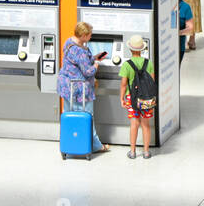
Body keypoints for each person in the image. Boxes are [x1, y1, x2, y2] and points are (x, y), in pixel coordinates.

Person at [56, 21, 112, 155]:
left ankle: (70, 143)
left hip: (67, 86)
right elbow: (88, 72)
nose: (91, 37)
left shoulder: (69, 42)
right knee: (87, 116)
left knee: (68, 115)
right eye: (89, 35)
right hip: (80, 88)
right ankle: (95, 145)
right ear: (83, 36)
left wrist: (93, 58)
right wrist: (97, 64)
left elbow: (77, 62)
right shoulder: (80, 51)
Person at [119, 35, 157, 159]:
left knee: (134, 124)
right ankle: (146, 152)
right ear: (142, 49)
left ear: (130, 49)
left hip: (132, 98)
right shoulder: (148, 63)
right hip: (146, 98)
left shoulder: (127, 65)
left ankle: (133, 151)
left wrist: (122, 99)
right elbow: (152, 81)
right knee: (146, 124)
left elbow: (124, 84)